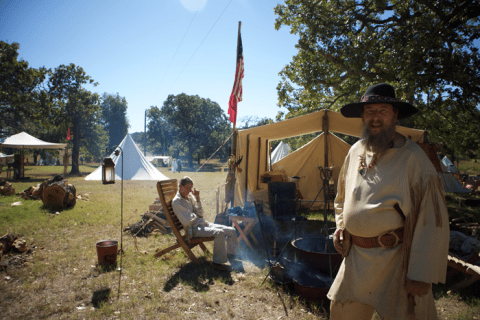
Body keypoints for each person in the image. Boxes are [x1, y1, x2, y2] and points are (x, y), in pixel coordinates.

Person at [327, 83, 449, 319]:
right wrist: (341, 226)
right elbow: (343, 197)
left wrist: (421, 273)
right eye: (370, 112)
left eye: (383, 111)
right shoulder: (355, 151)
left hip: (395, 261)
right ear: (363, 116)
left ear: (394, 115)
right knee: (341, 314)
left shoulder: (413, 158)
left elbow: (432, 218)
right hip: (356, 260)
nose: (375, 118)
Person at [171, 176, 243, 272]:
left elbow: (201, 214)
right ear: (180, 187)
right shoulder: (177, 202)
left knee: (232, 230)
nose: (189, 191)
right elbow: (187, 221)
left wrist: (198, 199)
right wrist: (196, 216)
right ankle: (217, 263)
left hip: (202, 224)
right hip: (193, 229)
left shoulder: (189, 197)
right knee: (219, 233)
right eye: (187, 188)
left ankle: (232, 257)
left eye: (190, 188)